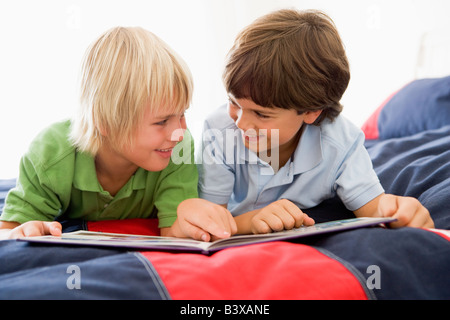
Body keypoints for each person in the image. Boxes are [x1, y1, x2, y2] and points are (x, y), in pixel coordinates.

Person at [196, 9, 434, 235]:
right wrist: (252, 220)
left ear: (311, 112)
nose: (241, 123)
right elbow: (211, 220)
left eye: (262, 114)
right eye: (234, 102)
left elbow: (373, 209)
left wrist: (398, 210)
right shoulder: (219, 131)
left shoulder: (341, 143)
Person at [0, 26, 236, 241]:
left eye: (182, 114)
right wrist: (21, 230)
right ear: (105, 123)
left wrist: (189, 221)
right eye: (162, 121)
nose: (179, 131)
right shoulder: (50, 153)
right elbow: (9, 229)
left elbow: (172, 232)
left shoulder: (178, 148)